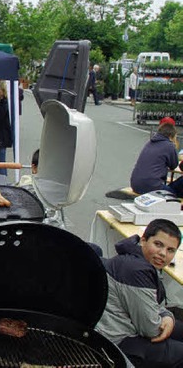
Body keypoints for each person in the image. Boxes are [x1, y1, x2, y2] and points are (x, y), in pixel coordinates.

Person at [95, 218, 183, 367]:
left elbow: (151, 303)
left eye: (170, 250)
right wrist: (166, 318)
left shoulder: (135, 258)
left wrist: (167, 317)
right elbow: (151, 329)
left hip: (128, 325)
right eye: (158, 244)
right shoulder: (135, 271)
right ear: (143, 240)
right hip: (117, 341)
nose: (162, 254)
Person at [130, 122, 183, 197]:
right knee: (177, 188)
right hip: (152, 187)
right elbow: (174, 165)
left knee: (172, 187)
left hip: (135, 185)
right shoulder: (169, 145)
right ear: (171, 136)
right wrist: (173, 147)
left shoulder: (150, 143)